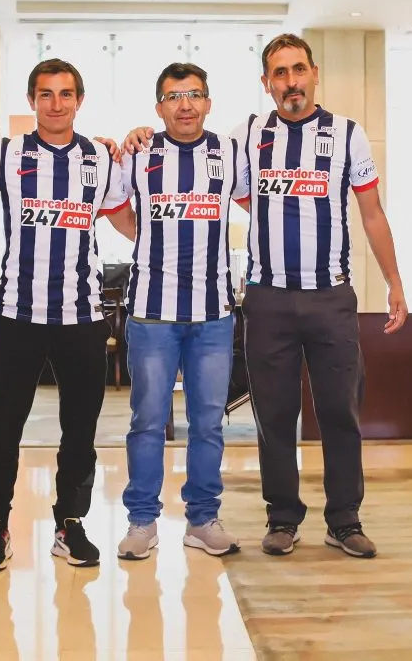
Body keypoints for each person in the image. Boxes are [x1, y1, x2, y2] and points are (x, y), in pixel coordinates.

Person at [122, 33, 407, 560]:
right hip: (267, 299)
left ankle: (345, 520)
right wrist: (140, 135)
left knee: (341, 413)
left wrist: (394, 282)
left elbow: (371, 213)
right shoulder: (245, 138)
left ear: (314, 73)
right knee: (273, 414)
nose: (291, 81)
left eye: (298, 69)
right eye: (280, 73)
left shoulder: (347, 135)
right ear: (266, 83)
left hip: (331, 296)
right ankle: (282, 518)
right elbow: (214, 189)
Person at [0, 59, 134, 571]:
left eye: (65, 94)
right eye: (46, 95)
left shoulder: (101, 159)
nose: (56, 104)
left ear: (79, 100)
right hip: (17, 315)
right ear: (32, 100)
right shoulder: (6, 155)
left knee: (79, 430)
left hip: (81, 318)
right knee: (3, 429)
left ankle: (71, 524)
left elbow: (126, 219)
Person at [116, 63, 249, 561]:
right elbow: (115, 210)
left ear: (209, 103)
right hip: (151, 314)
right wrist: (150, 243)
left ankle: (202, 519)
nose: (185, 104)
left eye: (194, 95)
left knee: (209, 422)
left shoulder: (229, 154)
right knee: (147, 421)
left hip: (213, 316)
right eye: (174, 96)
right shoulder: (139, 152)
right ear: (159, 107)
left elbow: (254, 203)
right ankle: (142, 520)